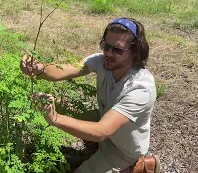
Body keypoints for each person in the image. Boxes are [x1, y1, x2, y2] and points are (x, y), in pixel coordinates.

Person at [20, 17, 160, 173]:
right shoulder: (103, 61)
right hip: (105, 130)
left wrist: (56, 119)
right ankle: (94, 150)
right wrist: (38, 68)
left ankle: (137, 167)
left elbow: (101, 131)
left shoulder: (140, 89)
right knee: (67, 105)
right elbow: (64, 70)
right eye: (106, 46)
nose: (108, 53)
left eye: (117, 50)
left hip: (121, 151)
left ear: (135, 52)